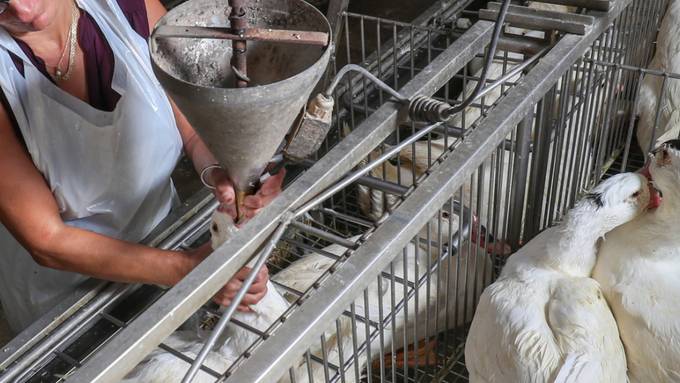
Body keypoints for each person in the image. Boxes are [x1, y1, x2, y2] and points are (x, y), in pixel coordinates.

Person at [0, 0, 284, 334]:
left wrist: (221, 170)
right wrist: (186, 270)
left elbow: (191, 129)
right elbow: (47, 239)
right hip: (69, 301)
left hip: (164, 237)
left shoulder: (129, 9)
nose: (23, 12)